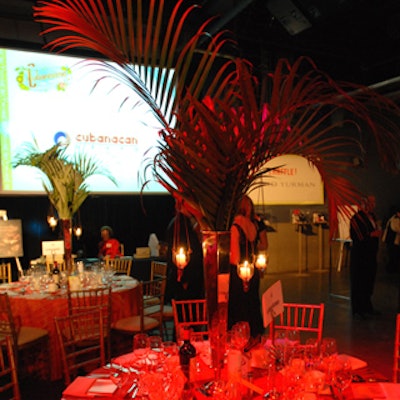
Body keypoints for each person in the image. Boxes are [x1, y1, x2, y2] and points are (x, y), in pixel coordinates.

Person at [228, 195, 267, 338]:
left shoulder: (235, 226)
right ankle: (254, 336)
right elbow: (259, 246)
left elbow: (235, 257)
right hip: (252, 271)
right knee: (252, 303)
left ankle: (239, 338)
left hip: (239, 273)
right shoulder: (253, 225)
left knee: (238, 307)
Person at [165, 200, 204, 303]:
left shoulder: (180, 222)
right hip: (188, 276)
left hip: (186, 275)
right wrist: (185, 278)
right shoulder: (181, 224)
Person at [349, 195, 381, 319]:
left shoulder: (372, 217)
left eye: (374, 203)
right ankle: (358, 309)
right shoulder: (356, 218)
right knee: (359, 282)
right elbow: (357, 237)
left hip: (371, 255)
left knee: (368, 282)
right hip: (360, 256)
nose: (373, 205)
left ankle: (367, 307)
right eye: (370, 203)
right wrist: (371, 235)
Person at [382, 207, 400, 274]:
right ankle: (391, 270)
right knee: (393, 256)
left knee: (393, 255)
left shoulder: (393, 218)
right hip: (392, 241)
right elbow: (397, 229)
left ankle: (392, 269)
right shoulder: (395, 219)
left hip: (391, 240)